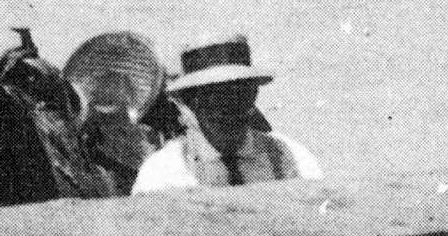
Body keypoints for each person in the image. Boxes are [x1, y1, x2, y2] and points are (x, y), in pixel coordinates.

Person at [131, 36, 321, 192]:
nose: (229, 111)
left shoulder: (291, 158)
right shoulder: (163, 172)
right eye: (214, 98)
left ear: (254, 95)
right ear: (191, 102)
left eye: (241, 95)